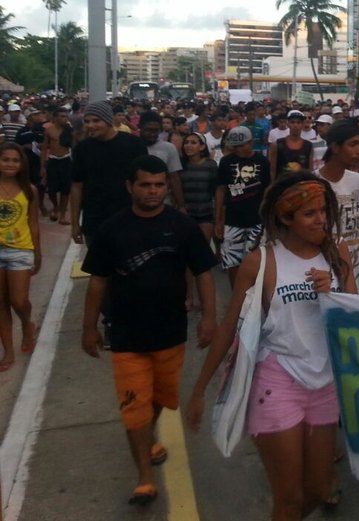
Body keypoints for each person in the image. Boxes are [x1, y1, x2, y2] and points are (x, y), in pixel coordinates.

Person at [187, 173, 355, 521]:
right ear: (285, 218)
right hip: (277, 381)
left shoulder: (337, 253)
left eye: (323, 211)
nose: (321, 219)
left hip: (325, 383)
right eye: (309, 213)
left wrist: (334, 295)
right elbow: (229, 327)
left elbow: (355, 316)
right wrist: (200, 389)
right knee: (289, 497)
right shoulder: (261, 261)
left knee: (321, 488)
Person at [81, 155, 216, 507]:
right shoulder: (112, 229)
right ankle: (144, 477)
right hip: (125, 337)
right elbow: (97, 281)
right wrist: (88, 328)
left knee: (158, 399)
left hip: (171, 334)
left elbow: (203, 272)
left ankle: (148, 436)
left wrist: (209, 318)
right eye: (145, 185)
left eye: (159, 185)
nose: (153, 191)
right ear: (130, 187)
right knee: (135, 406)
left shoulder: (182, 226)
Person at [70, 101, 149, 249]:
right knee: (99, 269)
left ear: (107, 120)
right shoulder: (82, 149)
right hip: (95, 220)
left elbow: (144, 181)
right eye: (87, 121)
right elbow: (77, 186)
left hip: (129, 219)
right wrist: (75, 224)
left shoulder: (134, 144)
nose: (90, 125)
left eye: (96, 120)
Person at [318, 120, 359, 296]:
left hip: (354, 281)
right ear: (335, 147)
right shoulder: (314, 185)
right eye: (353, 144)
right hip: (321, 282)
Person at [0, 143, 41, 372]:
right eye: (5, 159)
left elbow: (33, 223)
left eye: (15, 160)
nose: (10, 164)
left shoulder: (29, 190)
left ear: (21, 164)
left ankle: (27, 323)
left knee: (18, 300)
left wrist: (38, 252)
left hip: (20, 250)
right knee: (1, 304)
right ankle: (8, 351)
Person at [215, 125, 271, 287]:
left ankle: (253, 299)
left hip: (257, 219)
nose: (239, 150)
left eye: (242, 145)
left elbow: (267, 189)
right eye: (236, 147)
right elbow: (220, 190)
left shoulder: (262, 161)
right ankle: (236, 297)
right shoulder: (226, 162)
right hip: (232, 219)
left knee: (256, 261)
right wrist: (218, 219)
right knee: (232, 262)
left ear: (251, 142)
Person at [180, 133, 218, 310]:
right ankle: (189, 296)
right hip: (186, 217)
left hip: (205, 216)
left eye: (193, 143)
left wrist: (218, 218)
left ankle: (205, 298)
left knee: (201, 258)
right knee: (187, 259)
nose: (189, 146)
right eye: (186, 142)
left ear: (202, 147)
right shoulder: (181, 166)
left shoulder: (211, 166)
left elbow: (217, 192)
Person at [138, 111, 186, 210]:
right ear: (140, 127)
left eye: (156, 131)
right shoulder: (131, 146)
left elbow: (174, 177)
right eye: (148, 130)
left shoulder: (168, 148)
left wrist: (181, 205)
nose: (152, 134)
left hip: (164, 202)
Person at [269, 110, 313, 181]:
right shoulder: (277, 144)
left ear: (302, 124)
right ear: (288, 124)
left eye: (298, 122)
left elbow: (310, 170)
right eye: (292, 122)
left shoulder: (308, 146)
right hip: (282, 187)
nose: (295, 125)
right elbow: (272, 170)